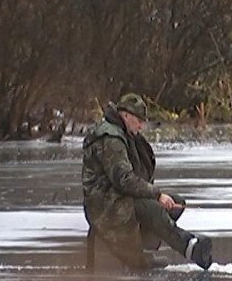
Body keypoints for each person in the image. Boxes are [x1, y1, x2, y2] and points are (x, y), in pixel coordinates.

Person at [82, 93, 213, 270]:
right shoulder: (111, 139)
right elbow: (124, 179)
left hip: (120, 196)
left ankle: (136, 250)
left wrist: (156, 195)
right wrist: (156, 195)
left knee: (175, 203)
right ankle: (190, 247)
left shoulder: (126, 134)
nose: (141, 125)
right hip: (105, 203)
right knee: (155, 210)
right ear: (125, 115)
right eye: (138, 120)